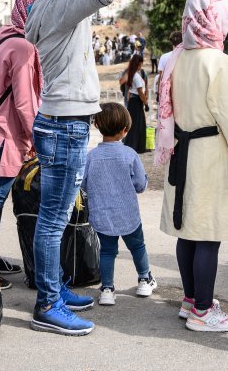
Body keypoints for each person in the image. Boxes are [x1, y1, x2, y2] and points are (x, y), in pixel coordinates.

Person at [25, 0, 159, 336]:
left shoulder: (57, 5)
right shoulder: (60, 5)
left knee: (56, 217)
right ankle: (48, 304)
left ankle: (55, 290)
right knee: (53, 221)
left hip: (64, 124)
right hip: (63, 127)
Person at [156, 0, 228, 333]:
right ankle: (203, 310)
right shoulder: (218, 61)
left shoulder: (177, 57)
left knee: (188, 230)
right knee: (208, 234)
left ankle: (191, 300)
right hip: (210, 155)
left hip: (183, 153)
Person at [0, 0, 43, 290]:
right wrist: (38, 135)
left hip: (3, 132)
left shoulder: (6, 41)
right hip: (11, 136)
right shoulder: (22, 47)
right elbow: (24, 102)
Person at [82, 102, 156, 306]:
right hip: (128, 214)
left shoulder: (91, 157)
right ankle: (144, 279)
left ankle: (107, 288)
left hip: (102, 214)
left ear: (98, 126)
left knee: (107, 251)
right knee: (137, 246)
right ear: (125, 130)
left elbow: (84, 184)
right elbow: (140, 185)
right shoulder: (130, 155)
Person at [123, 54, 148, 153]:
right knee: (138, 125)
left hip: (133, 102)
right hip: (137, 101)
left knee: (137, 125)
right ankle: (136, 147)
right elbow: (140, 92)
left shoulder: (132, 74)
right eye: (141, 63)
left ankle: (135, 146)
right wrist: (146, 103)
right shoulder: (136, 76)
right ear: (138, 64)